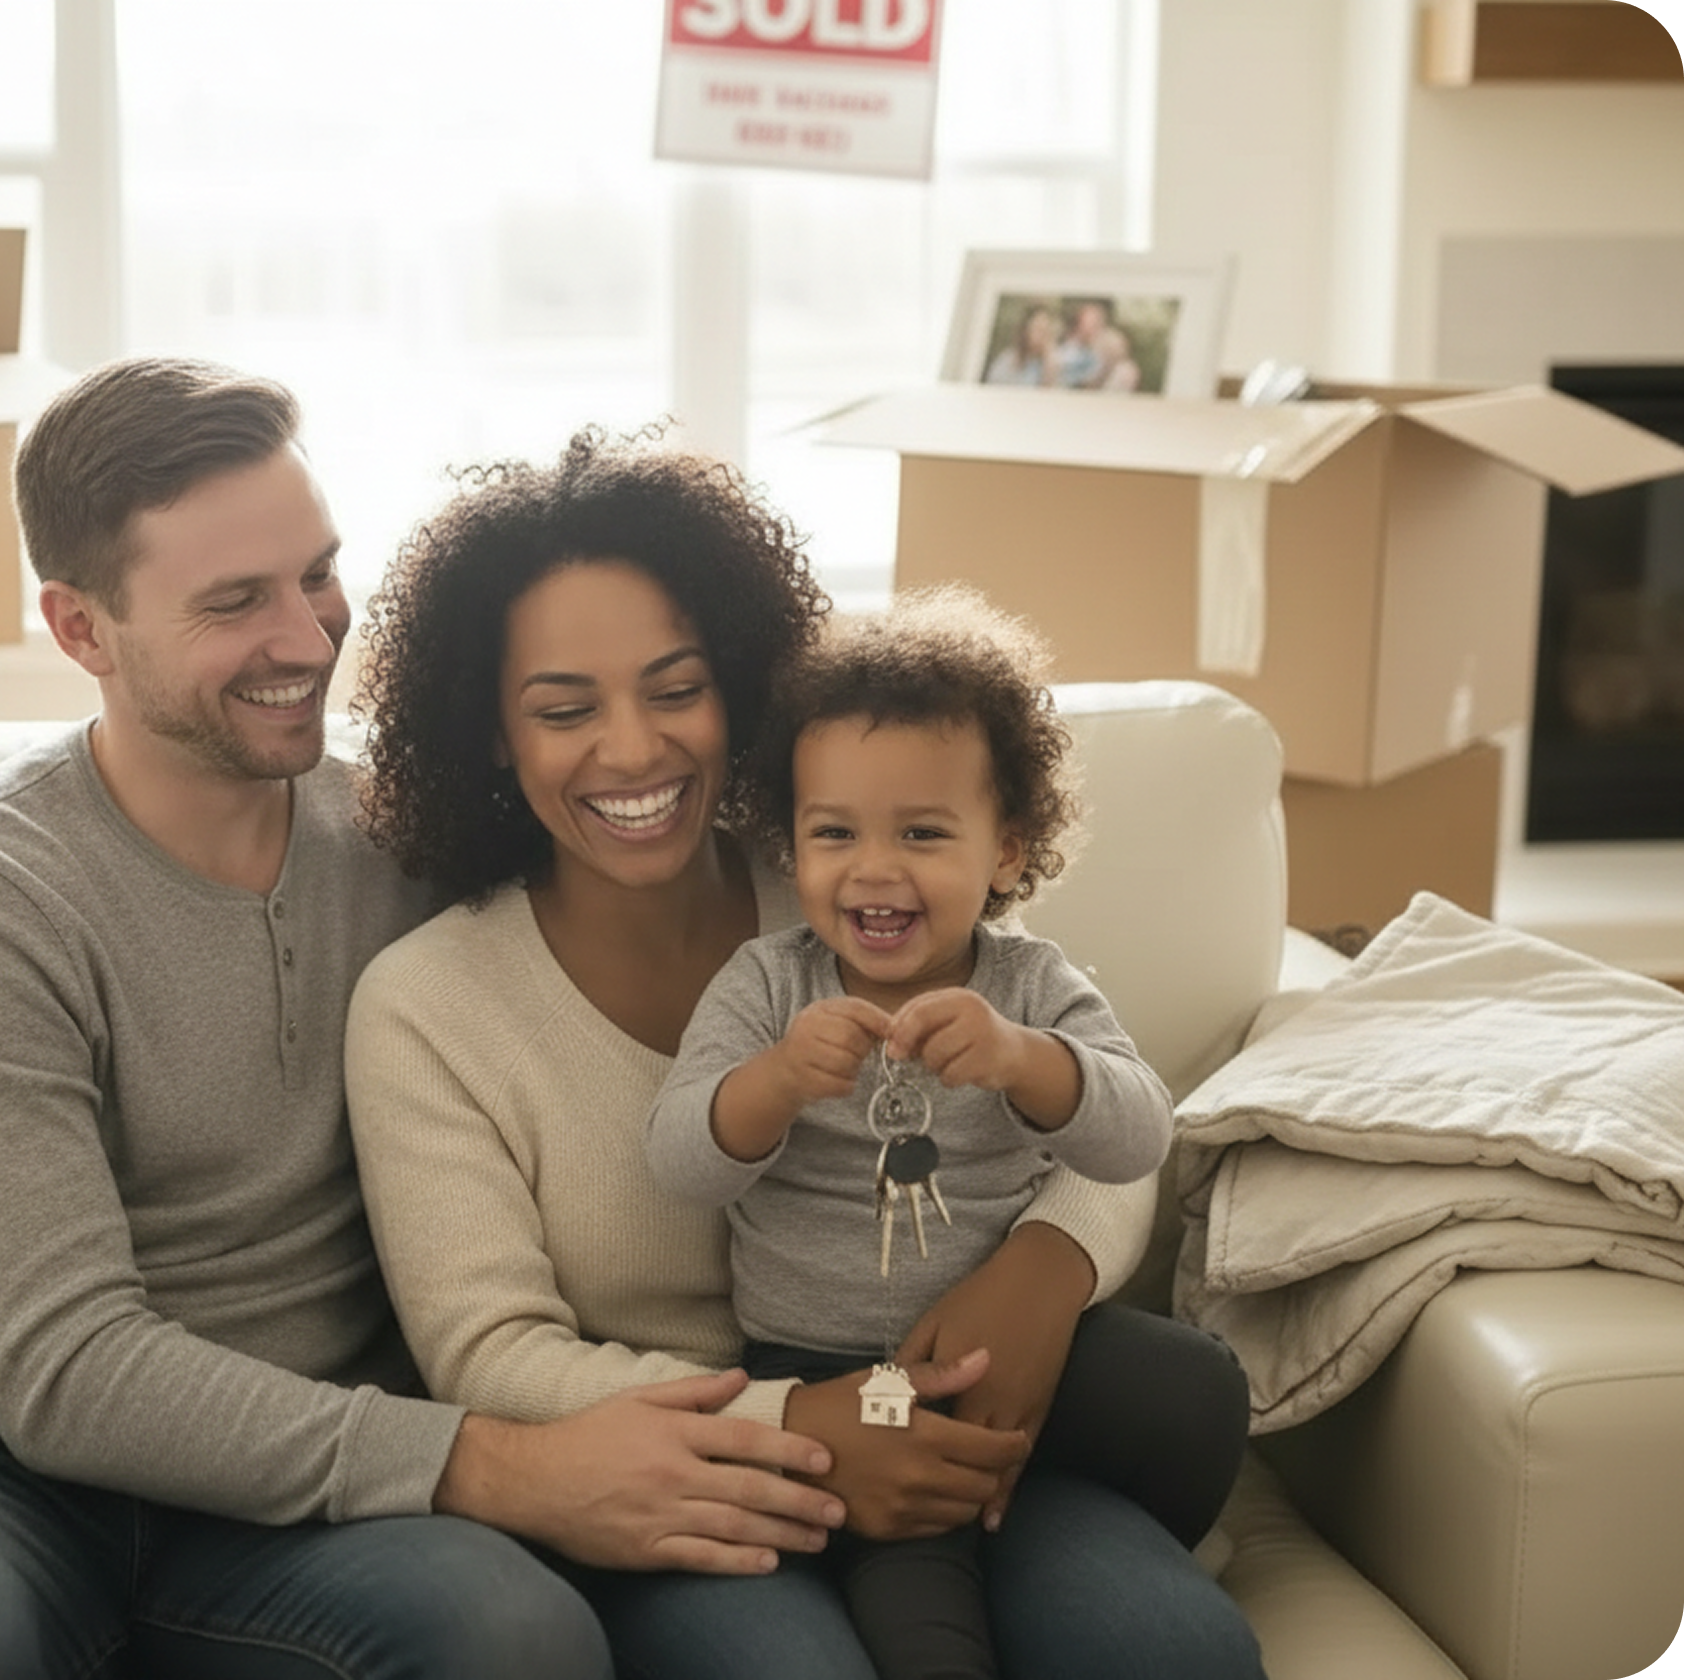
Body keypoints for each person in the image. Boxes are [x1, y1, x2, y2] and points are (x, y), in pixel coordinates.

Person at [0, 359, 854, 1680]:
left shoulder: (413, 833)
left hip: (313, 1476)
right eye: (235, 603)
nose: (312, 636)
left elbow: (645, 806)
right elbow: (65, 1371)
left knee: (515, 1640)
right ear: (81, 629)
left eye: (317, 573)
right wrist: (498, 1465)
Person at [345, 428, 1266, 1680]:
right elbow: (491, 1359)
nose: (631, 749)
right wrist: (807, 1421)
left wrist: (1043, 1274)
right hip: (700, 1473)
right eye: (565, 709)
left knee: (1175, 1654)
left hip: (953, 1416)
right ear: (494, 735)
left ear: (737, 684)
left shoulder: (858, 865)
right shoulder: (431, 1006)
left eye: (676, 688)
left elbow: (1089, 1107)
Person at [646, 585, 1240, 1678]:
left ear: (1006, 852)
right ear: (794, 846)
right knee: (920, 1584)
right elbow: (678, 1161)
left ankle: (1049, 1506)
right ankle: (939, 1555)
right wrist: (774, 1083)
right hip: (841, 1372)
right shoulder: (769, 986)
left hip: (1013, 1362)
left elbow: (1140, 1133)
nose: (874, 869)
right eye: (835, 834)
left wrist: (1026, 1063)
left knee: (1193, 1386)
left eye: (922, 832)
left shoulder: (1033, 982)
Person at [981, 305, 1059, 386]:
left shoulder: (1050, 363)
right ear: (1025, 331)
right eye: (1038, 329)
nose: (1043, 335)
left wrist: (1049, 366)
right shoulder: (1006, 360)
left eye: (1046, 330)